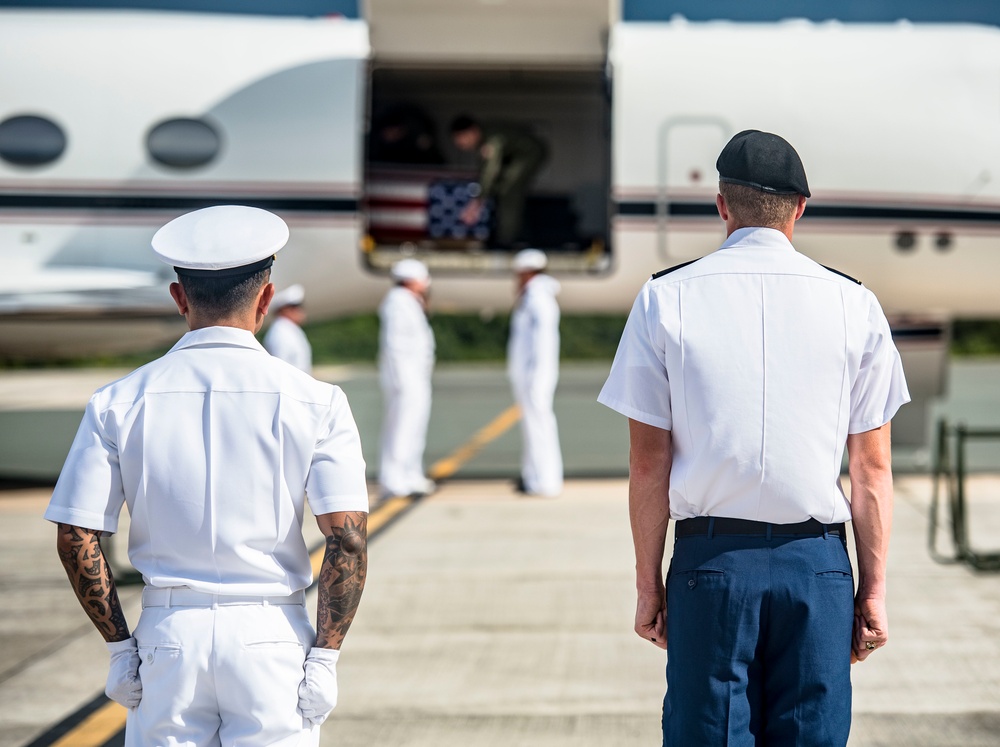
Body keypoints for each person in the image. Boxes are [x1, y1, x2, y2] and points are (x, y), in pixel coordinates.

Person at [597, 130, 910, 745]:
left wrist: (647, 586)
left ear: (721, 206)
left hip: (710, 566)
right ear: (799, 207)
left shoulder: (665, 298)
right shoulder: (855, 305)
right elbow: (871, 471)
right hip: (817, 569)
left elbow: (647, 465)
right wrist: (872, 591)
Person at [44, 205, 369, 746]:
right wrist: (326, 656)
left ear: (179, 298)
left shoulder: (118, 401)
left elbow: (77, 533)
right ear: (267, 298)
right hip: (271, 638)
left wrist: (120, 649)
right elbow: (348, 540)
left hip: (168, 637)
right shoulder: (318, 402)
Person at [378, 258, 436, 499]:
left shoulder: (409, 302)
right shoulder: (398, 303)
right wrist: (403, 382)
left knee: (414, 426)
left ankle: (411, 472)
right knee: (401, 427)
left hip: (416, 377)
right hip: (406, 378)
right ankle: (394, 478)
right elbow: (396, 346)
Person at [508, 248, 563, 497]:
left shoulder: (539, 298)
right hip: (531, 374)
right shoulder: (533, 296)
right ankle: (534, 477)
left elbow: (542, 342)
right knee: (533, 426)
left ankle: (545, 481)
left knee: (539, 425)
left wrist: (535, 377)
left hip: (536, 375)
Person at [450, 114, 548, 246]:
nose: (459, 143)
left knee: (508, 190)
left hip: (529, 153)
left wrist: (478, 200)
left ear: (472, 131)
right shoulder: (485, 138)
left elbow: (490, 170)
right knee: (502, 189)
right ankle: (509, 235)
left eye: (460, 137)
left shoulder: (491, 140)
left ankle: (508, 240)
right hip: (515, 156)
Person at [264, 283, 312, 373]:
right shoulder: (280, 333)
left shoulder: (289, 329)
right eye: (295, 306)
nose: (301, 310)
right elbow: (280, 370)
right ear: (284, 309)